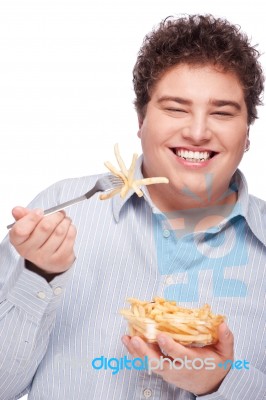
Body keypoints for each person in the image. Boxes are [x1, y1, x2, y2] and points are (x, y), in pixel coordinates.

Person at [0, 14, 265, 400]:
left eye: (223, 113)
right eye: (176, 108)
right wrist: (38, 275)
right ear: (141, 120)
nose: (197, 132)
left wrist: (222, 383)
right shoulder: (62, 211)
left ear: (247, 134)